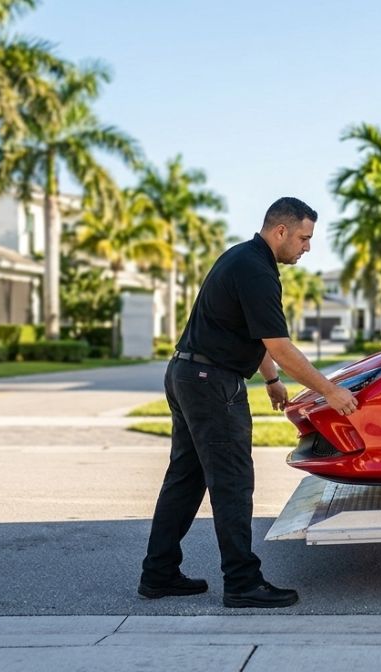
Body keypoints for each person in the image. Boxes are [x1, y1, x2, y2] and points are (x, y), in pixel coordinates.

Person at [138, 196, 358, 608]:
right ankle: (242, 582)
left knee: (185, 480)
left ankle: (159, 572)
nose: (307, 248)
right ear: (281, 231)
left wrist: (272, 379)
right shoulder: (257, 270)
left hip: (188, 373)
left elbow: (252, 335)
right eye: (304, 238)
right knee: (233, 484)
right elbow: (280, 345)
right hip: (211, 383)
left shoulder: (241, 258)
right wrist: (330, 391)